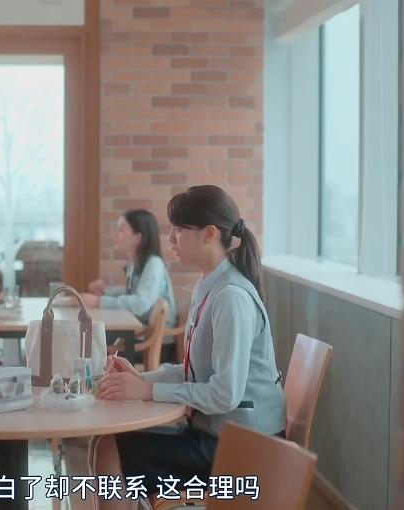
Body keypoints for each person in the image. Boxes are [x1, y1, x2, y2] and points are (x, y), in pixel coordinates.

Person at [90, 185, 286, 508]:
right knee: (105, 442)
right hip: (219, 434)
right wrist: (141, 380)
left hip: (245, 450)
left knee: (111, 449)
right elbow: (196, 371)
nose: (171, 239)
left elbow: (225, 394)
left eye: (179, 229)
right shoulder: (210, 285)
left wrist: (147, 391)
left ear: (209, 234)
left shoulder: (231, 297)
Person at [81, 209, 177, 362]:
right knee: (92, 337)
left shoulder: (154, 264)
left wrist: (99, 301)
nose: (115, 234)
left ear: (138, 238)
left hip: (156, 345)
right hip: (141, 334)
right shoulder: (136, 263)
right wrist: (104, 293)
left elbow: (140, 304)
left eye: (121, 230)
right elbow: (130, 293)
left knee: (92, 340)